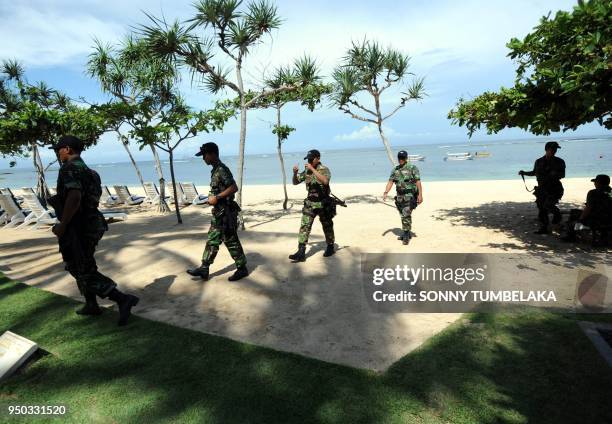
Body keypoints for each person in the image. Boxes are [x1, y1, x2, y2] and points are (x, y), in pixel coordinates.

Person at [49, 135, 139, 326]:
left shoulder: (69, 168)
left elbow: (74, 197)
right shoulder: (91, 173)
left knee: (77, 266)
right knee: (85, 263)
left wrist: (63, 225)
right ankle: (91, 304)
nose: (58, 153)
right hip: (92, 223)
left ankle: (122, 299)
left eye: (59, 149)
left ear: (68, 149)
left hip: (77, 226)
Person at [187, 142, 248, 281]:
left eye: (204, 155)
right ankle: (206, 268)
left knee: (222, 239)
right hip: (220, 211)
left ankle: (238, 268)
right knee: (221, 239)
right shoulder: (215, 170)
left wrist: (217, 197)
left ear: (212, 154)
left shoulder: (221, 169)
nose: (203, 159)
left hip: (225, 212)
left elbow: (234, 187)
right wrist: (212, 198)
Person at [289, 149, 335, 262]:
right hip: (310, 203)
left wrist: (312, 169)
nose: (309, 161)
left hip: (323, 203)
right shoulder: (306, 171)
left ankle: (330, 246)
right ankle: (301, 251)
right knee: (304, 226)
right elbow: (295, 182)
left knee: (327, 225)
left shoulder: (324, 169)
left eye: (311, 159)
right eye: (308, 159)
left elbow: (325, 181)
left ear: (318, 158)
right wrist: (295, 173)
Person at [519, 141, 566, 234]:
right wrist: (524, 173)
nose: (554, 151)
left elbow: (563, 175)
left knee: (548, 205)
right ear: (546, 149)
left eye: (555, 149)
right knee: (542, 209)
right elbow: (534, 172)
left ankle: (557, 215)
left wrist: (555, 174)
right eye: (552, 149)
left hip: (554, 188)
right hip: (541, 189)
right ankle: (544, 227)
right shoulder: (538, 161)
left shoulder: (559, 161)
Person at [383, 150, 423, 245]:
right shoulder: (395, 170)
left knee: (406, 214)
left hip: (410, 195)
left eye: (402, 158)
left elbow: (418, 182)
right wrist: (386, 192)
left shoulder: (412, 168)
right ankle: (407, 232)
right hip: (399, 196)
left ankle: (405, 235)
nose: (401, 160)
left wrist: (420, 195)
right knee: (403, 215)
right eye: (399, 158)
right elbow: (390, 182)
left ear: (406, 158)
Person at [562, 174, 611, 246]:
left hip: (596, 219)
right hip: (609, 219)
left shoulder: (593, 193)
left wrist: (580, 219)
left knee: (574, 214)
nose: (594, 184)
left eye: (596, 182)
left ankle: (571, 235)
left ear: (598, 183)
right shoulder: (611, 192)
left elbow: (588, 208)